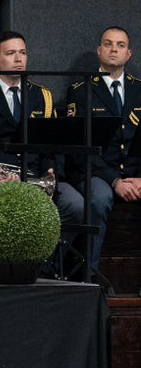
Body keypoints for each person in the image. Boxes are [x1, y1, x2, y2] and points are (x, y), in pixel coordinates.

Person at [0, 31, 84, 251]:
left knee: (75, 205)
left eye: (23, 52)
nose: (19, 59)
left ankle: (43, 266)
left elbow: (52, 144)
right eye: (11, 53)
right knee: (4, 205)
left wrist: (51, 172)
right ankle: (7, 269)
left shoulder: (42, 94)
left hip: (36, 174)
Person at [65, 26, 141, 272]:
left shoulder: (140, 89)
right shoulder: (81, 91)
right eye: (108, 44)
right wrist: (115, 181)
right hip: (97, 172)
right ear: (99, 51)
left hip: (134, 171)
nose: (114, 49)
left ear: (128, 54)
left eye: (120, 45)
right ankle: (89, 277)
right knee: (99, 198)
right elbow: (79, 149)